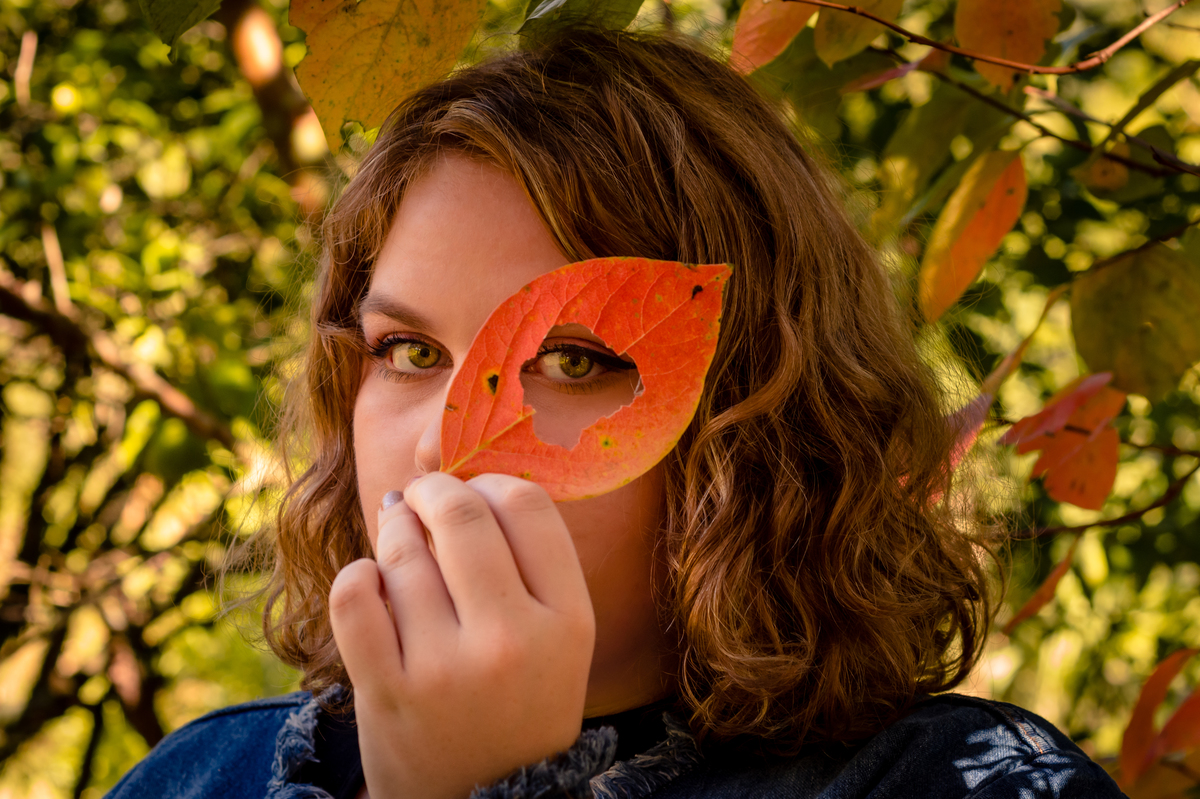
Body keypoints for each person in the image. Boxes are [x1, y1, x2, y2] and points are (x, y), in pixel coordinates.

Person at [106, 28, 1127, 799]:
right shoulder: (203, 774)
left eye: (575, 359)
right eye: (409, 352)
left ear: (755, 409)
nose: (435, 442)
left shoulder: (964, 784)